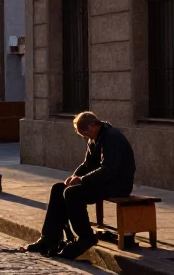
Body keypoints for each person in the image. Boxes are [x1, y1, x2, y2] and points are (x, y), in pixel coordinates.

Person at [25, 111, 135, 259]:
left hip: (118, 184)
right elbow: (88, 163)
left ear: (93, 126)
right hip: (102, 181)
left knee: (73, 193)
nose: (85, 137)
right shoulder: (96, 137)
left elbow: (109, 169)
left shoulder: (112, 138)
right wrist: (74, 177)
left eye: (85, 133)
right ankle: (49, 238)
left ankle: (86, 237)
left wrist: (82, 180)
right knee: (59, 189)